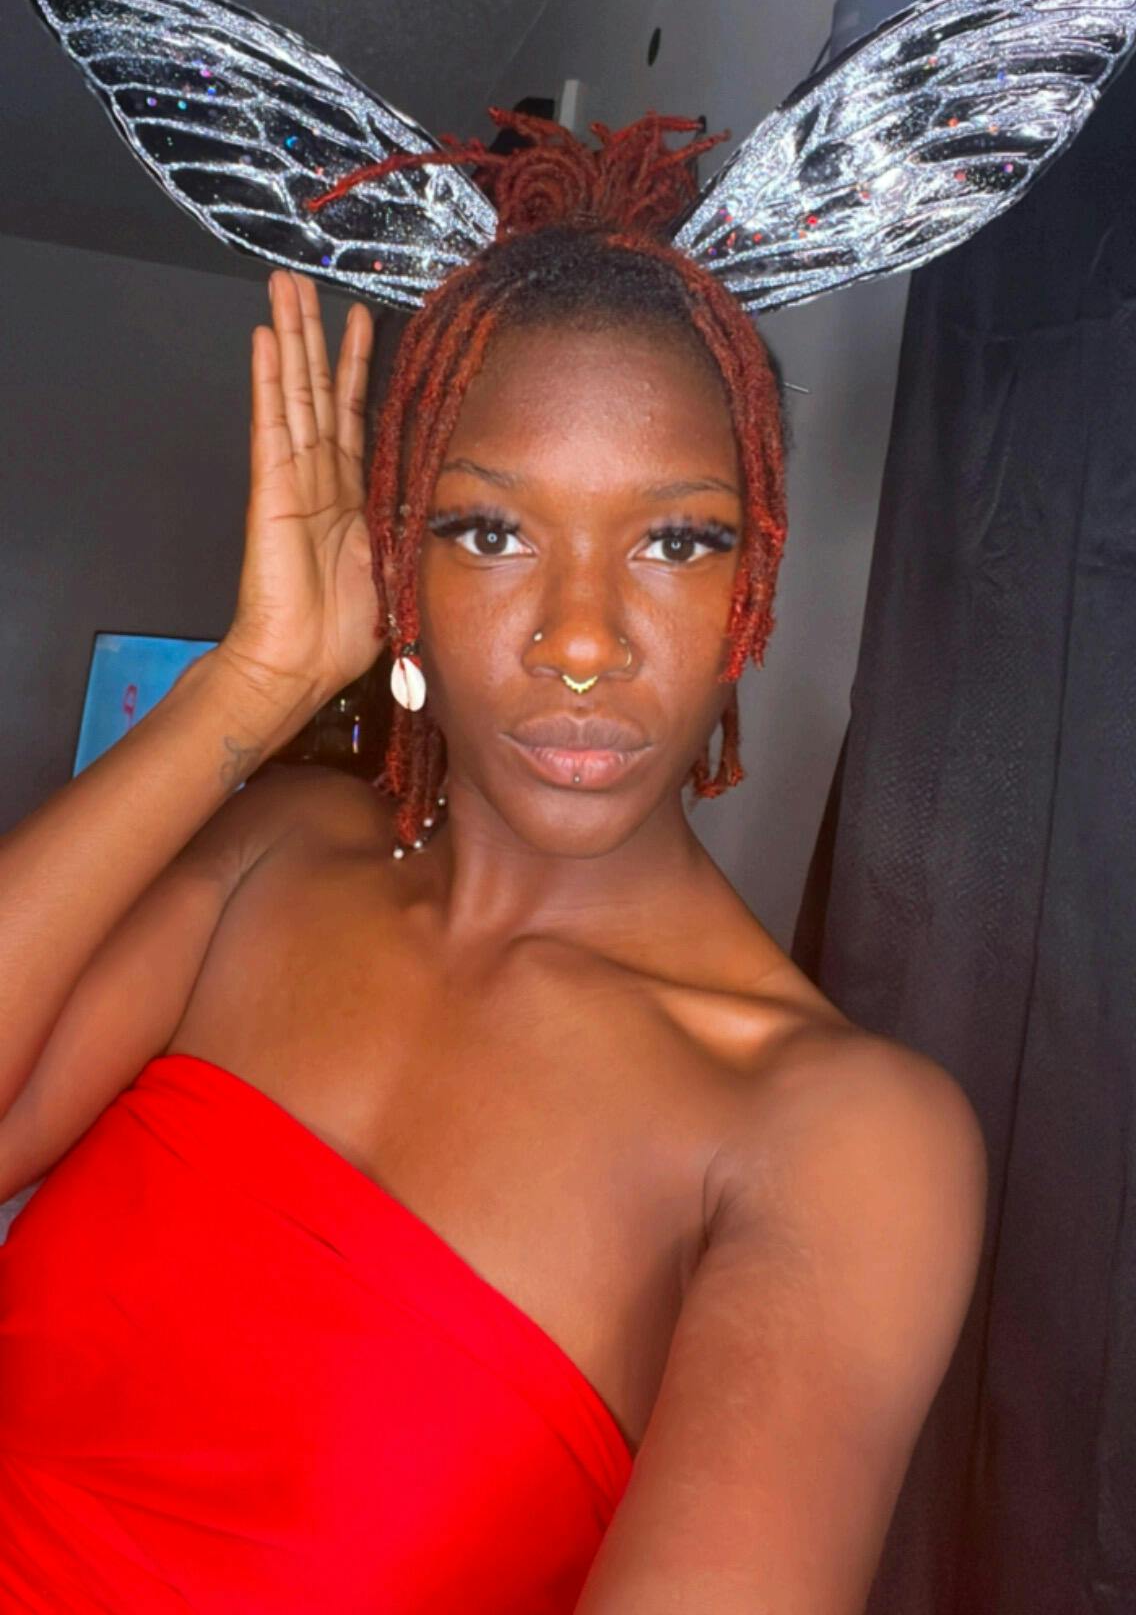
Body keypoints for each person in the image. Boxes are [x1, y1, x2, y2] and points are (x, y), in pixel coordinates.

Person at [0, 136, 987, 1614]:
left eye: (675, 540)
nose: (580, 639)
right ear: (403, 564)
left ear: (755, 582)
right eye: (491, 530)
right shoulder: (281, 848)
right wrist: (253, 685)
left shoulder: (836, 1134)